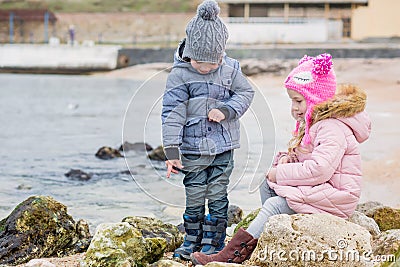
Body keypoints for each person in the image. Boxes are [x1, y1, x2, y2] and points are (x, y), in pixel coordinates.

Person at [190, 53, 371, 265]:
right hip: (322, 188)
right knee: (266, 184)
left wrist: (280, 173)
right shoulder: (317, 123)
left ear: (316, 99)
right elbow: (309, 157)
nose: (294, 108)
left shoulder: (331, 127)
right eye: (291, 101)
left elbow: (320, 169)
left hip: (337, 196)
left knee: (275, 203)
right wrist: (287, 160)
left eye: (298, 101)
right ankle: (273, 231)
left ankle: (232, 254)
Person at [161, 0, 254, 260]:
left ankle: (215, 242)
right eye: (200, 62)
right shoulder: (179, 75)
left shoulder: (230, 69)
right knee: (194, 192)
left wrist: (226, 110)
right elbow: (171, 113)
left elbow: (246, 93)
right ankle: (192, 239)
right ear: (189, 52)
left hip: (223, 147)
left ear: (222, 55)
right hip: (192, 148)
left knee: (217, 193)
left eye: (213, 63)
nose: (206, 68)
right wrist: (171, 150)